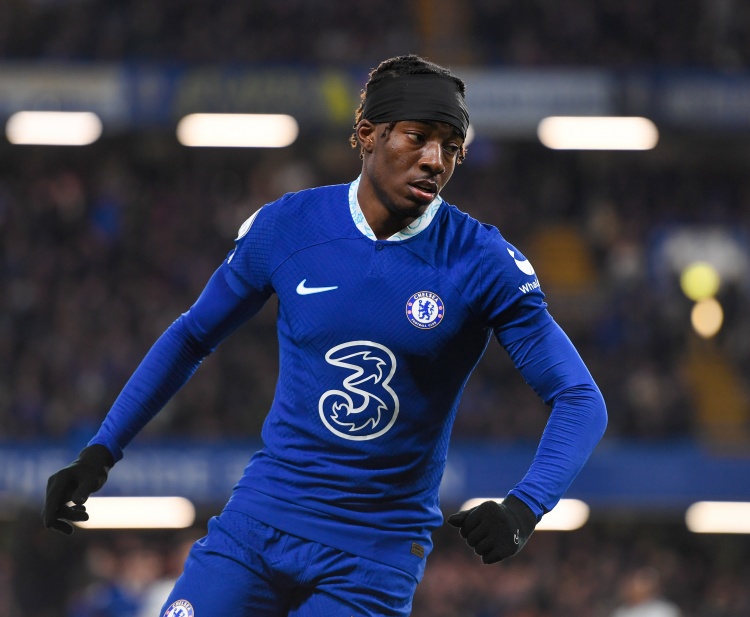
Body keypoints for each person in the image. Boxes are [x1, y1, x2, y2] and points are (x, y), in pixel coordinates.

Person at [43, 54, 607, 617]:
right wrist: (100, 451)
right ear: (367, 134)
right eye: (417, 138)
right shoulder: (287, 227)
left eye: (452, 147)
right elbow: (192, 336)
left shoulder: (483, 261)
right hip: (260, 522)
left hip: (375, 554)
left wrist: (524, 508)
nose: (435, 161)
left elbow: (580, 398)